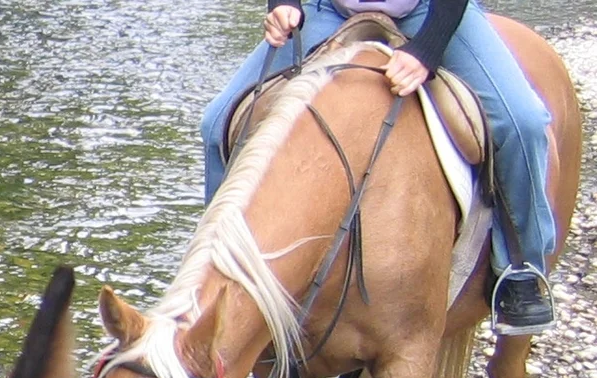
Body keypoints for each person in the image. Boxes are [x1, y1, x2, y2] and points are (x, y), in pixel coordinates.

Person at [198, 0, 558, 336]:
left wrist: (428, 50)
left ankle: (521, 267)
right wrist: (283, 5)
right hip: (327, 12)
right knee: (216, 125)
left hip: (427, 11)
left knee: (522, 123)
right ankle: (217, 271)